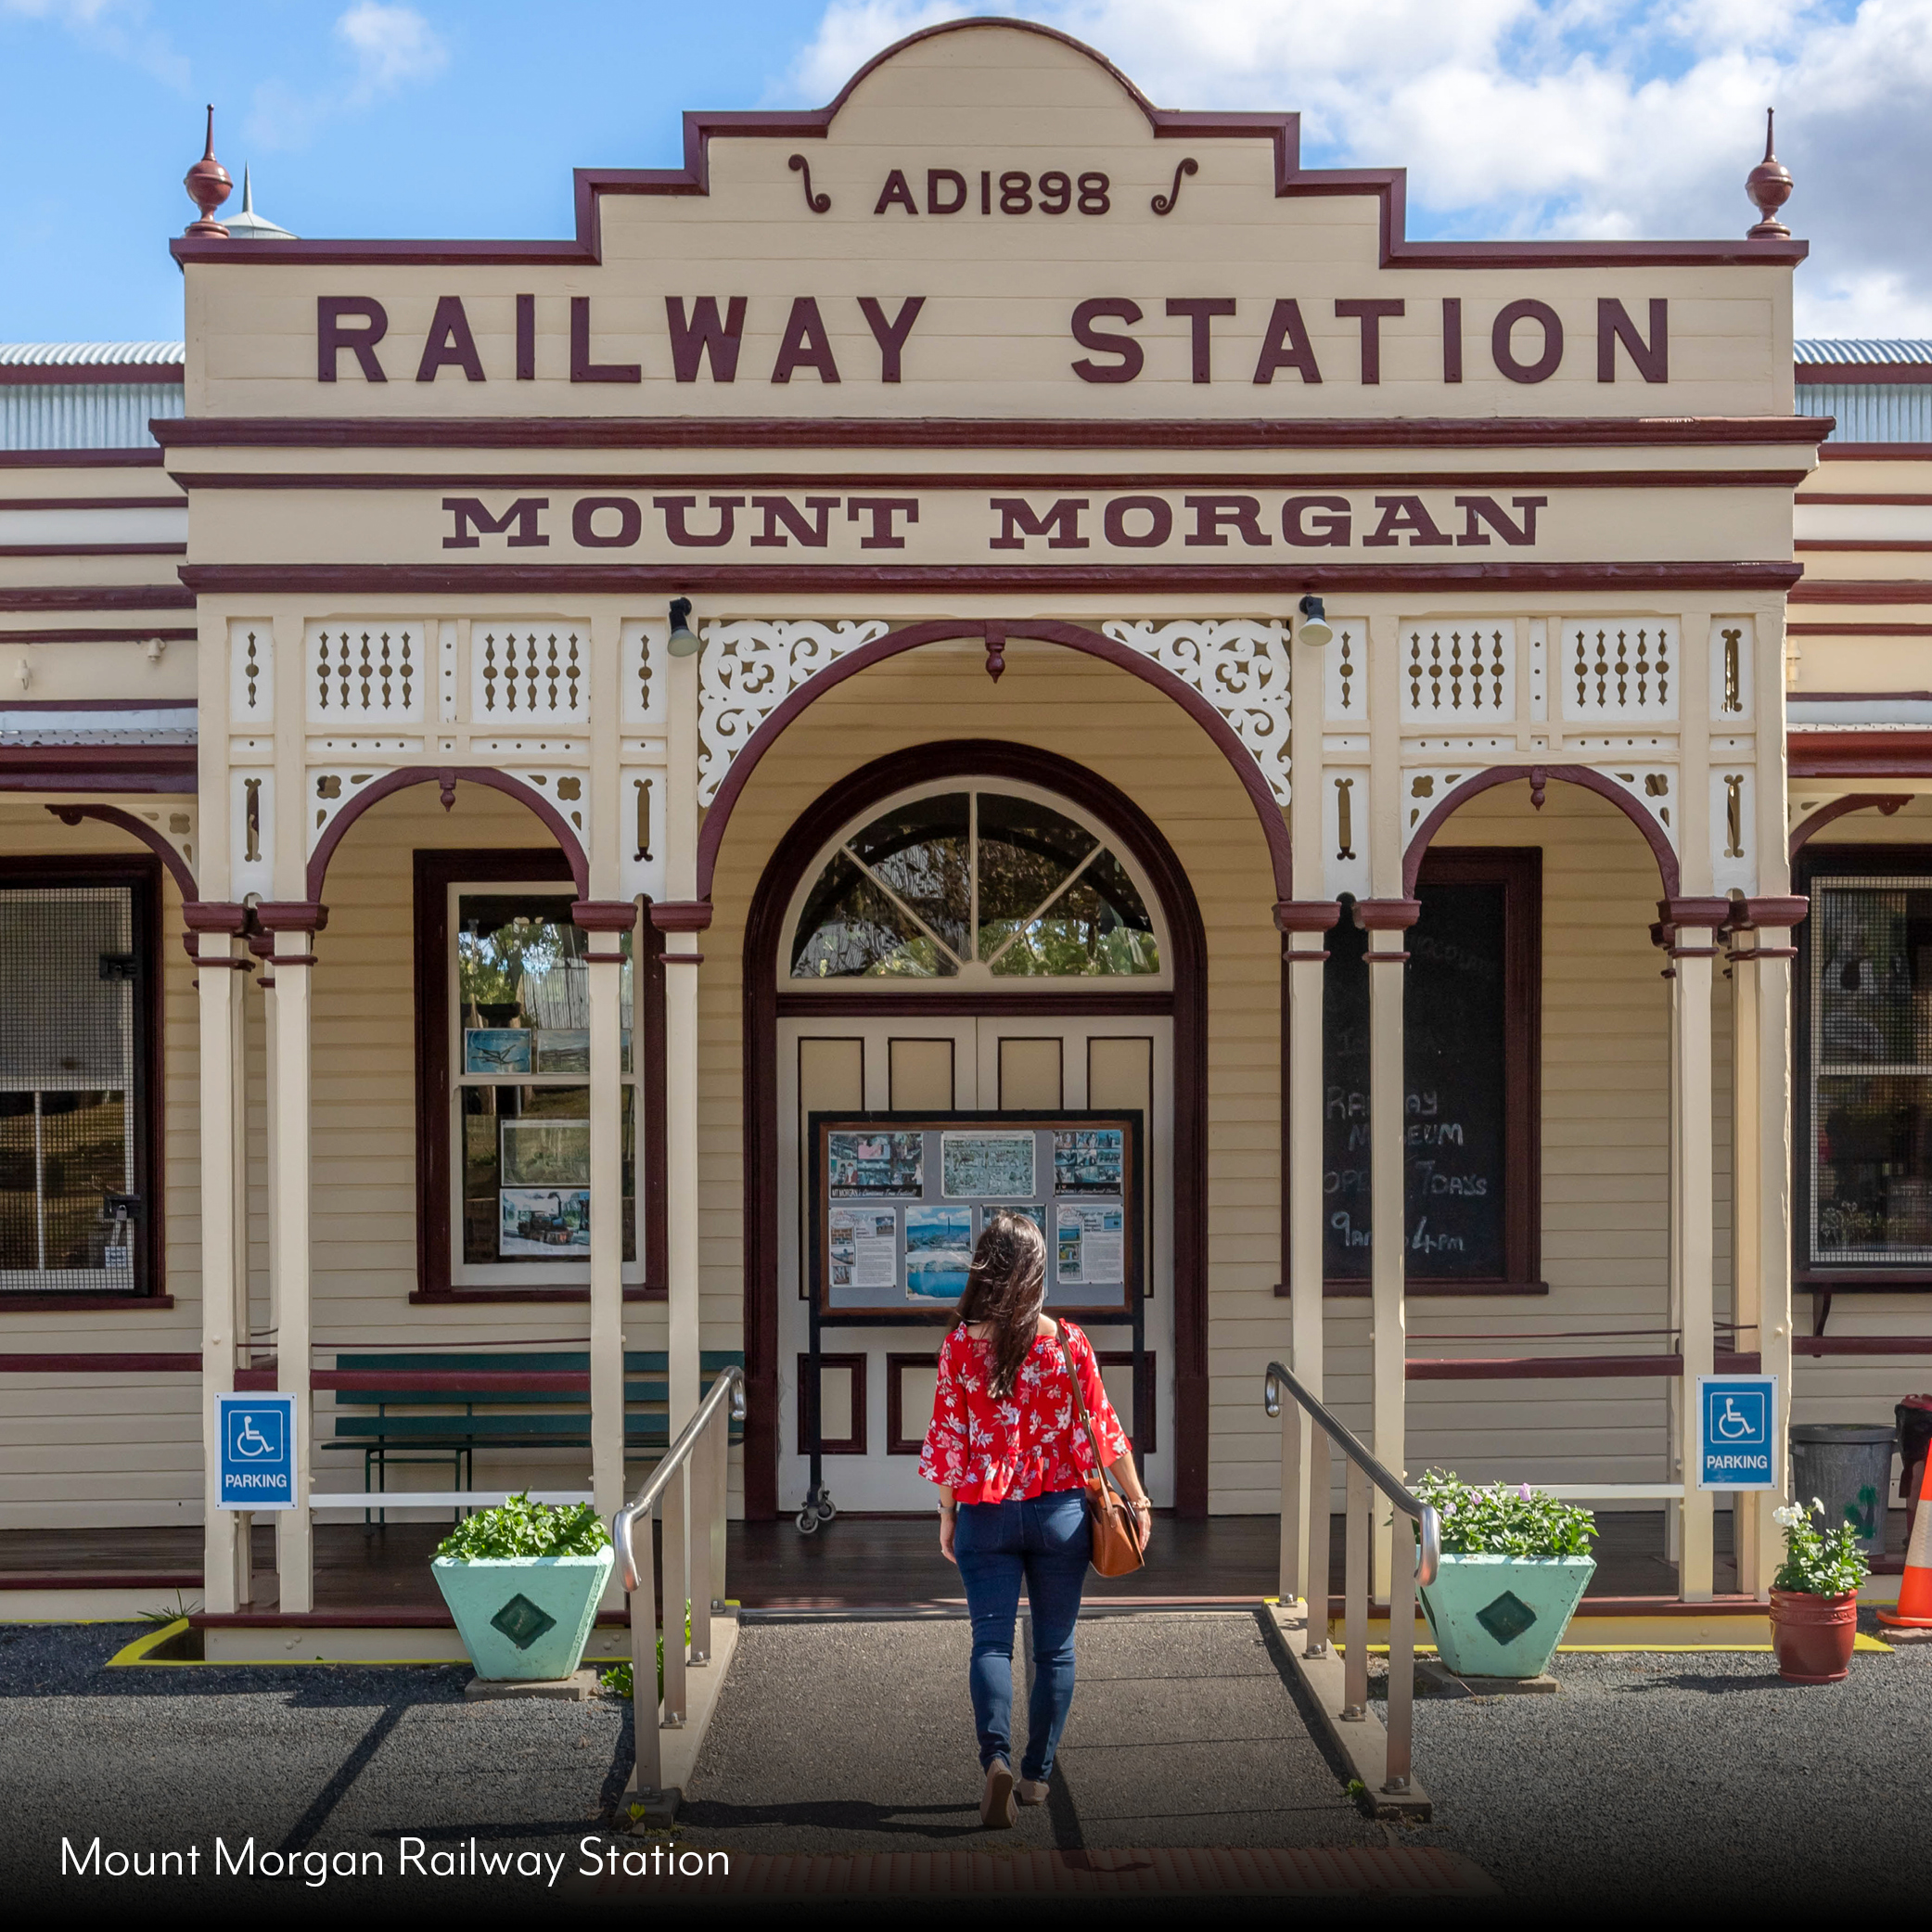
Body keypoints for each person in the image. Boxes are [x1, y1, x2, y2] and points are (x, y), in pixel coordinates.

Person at [918, 1209, 1152, 1829]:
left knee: (990, 1639)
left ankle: (993, 1760)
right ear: (1036, 1271)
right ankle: (1034, 1776)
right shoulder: (1066, 1341)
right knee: (1054, 1649)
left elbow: (947, 1439)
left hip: (985, 1513)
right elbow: (1104, 1433)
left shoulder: (959, 1345)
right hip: (1060, 1514)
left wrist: (947, 1514)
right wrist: (1138, 1498)